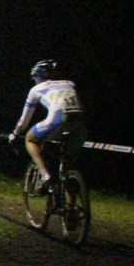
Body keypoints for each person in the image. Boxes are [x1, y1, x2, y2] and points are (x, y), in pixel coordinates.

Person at [10, 59, 87, 200]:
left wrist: (15, 134)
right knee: (66, 168)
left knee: (30, 139)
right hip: (80, 125)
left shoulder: (35, 89)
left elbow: (24, 120)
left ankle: (45, 174)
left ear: (38, 76)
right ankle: (71, 210)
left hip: (58, 119)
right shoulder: (70, 83)